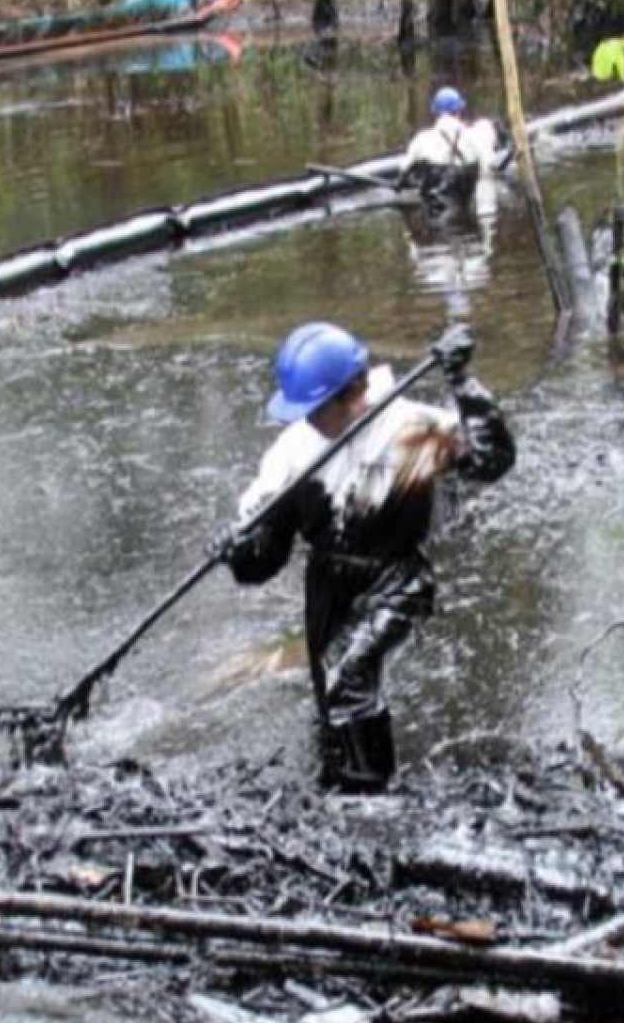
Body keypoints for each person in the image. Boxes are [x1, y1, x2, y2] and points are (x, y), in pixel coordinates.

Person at [218, 322, 515, 792]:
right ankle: (335, 779)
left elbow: (493, 460)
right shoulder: (293, 454)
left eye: (317, 408)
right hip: (329, 583)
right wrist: (239, 550)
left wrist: (463, 384)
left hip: (396, 577)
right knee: (329, 697)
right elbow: (265, 560)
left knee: (350, 679)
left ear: (354, 392)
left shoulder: (414, 428)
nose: (309, 419)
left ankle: (371, 794)